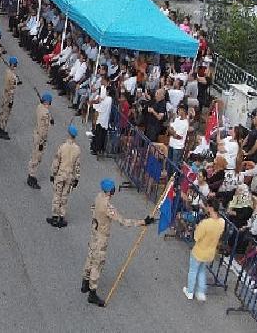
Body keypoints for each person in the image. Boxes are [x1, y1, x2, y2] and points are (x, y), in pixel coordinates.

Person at [82, 178, 155, 307]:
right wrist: (143, 222)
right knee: (97, 264)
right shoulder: (108, 206)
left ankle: (85, 282)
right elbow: (123, 221)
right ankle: (92, 292)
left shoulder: (99, 197)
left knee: (90, 256)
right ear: (110, 190)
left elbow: (92, 208)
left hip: (94, 231)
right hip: (101, 236)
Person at [183, 198, 225, 302]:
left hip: (199, 251)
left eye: (207, 206)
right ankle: (201, 292)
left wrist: (197, 227)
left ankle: (190, 291)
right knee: (202, 271)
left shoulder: (205, 223)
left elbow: (196, 237)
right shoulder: (222, 222)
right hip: (210, 253)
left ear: (210, 208)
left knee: (193, 271)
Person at [47, 125, 81, 228]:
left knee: (57, 195)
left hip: (61, 174)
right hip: (69, 176)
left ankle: (54, 216)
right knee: (64, 196)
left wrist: (53, 174)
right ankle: (61, 217)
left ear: (69, 134)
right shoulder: (77, 149)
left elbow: (56, 162)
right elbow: (77, 166)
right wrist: (76, 178)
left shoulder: (62, 147)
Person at [27, 92, 53, 189]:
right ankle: (32, 176)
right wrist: (42, 141)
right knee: (37, 157)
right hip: (40, 138)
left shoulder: (39, 107)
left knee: (35, 155)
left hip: (36, 134)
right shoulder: (45, 113)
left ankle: (31, 174)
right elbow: (44, 129)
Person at [0, 57, 19, 140]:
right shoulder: (12, 76)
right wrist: (10, 100)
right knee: (6, 114)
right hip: (8, 97)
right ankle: (2, 130)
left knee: (4, 113)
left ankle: (2, 129)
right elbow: (10, 89)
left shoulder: (8, 72)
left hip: (5, 95)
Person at [89, 86, 113, 155]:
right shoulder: (106, 99)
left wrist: (94, 105)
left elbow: (101, 108)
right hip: (102, 119)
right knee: (99, 134)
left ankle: (97, 149)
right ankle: (98, 148)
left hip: (102, 119)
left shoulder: (108, 99)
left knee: (99, 135)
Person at [167, 104, 189, 170]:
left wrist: (173, 132)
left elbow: (178, 137)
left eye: (180, 110)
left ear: (184, 111)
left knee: (174, 166)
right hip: (171, 144)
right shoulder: (177, 119)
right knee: (169, 164)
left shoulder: (185, 123)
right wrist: (173, 132)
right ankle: (168, 179)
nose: (178, 111)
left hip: (178, 147)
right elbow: (169, 128)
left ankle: (174, 180)